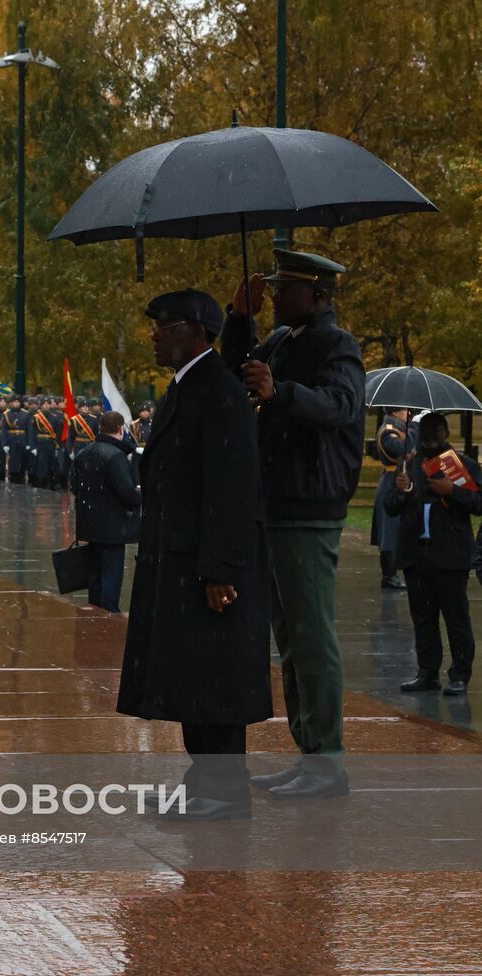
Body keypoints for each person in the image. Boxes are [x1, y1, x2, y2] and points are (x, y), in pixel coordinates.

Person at [118, 289, 270, 822]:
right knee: (193, 680)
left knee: (215, 684)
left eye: (166, 325)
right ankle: (204, 782)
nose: (156, 335)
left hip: (206, 569)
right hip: (180, 561)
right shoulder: (190, 388)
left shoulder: (220, 392)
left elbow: (232, 488)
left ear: (196, 332)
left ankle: (225, 793)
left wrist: (220, 569)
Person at [221, 248, 365, 800]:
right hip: (276, 502)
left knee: (311, 634)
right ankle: (309, 753)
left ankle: (327, 760)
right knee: (289, 637)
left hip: (310, 506)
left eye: (287, 288)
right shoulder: (281, 342)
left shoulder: (338, 345)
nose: (277, 295)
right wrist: (239, 318)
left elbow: (340, 406)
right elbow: (239, 371)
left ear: (319, 295)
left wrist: (280, 391)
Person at [385, 412, 481, 695]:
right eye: (424, 430)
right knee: (423, 619)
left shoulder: (462, 466)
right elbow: (391, 507)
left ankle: (459, 674)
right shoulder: (409, 465)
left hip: (450, 555)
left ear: (445, 434)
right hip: (417, 556)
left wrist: (452, 490)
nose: (428, 437)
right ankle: (427, 671)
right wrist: (400, 492)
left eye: (434, 431)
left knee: (456, 618)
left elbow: (478, 503)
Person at [71, 411, 141, 613]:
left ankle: (95, 615)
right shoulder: (115, 456)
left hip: (90, 525)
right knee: (111, 577)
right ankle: (109, 617)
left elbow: (74, 485)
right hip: (112, 528)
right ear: (120, 429)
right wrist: (141, 495)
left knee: (95, 578)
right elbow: (126, 493)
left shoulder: (85, 452)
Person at [372, 407, 413, 590]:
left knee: (396, 529)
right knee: (389, 530)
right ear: (396, 412)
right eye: (405, 410)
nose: (408, 414)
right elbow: (401, 449)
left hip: (398, 479)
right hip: (391, 481)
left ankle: (393, 572)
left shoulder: (398, 428)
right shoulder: (389, 430)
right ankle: (388, 575)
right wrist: (415, 429)